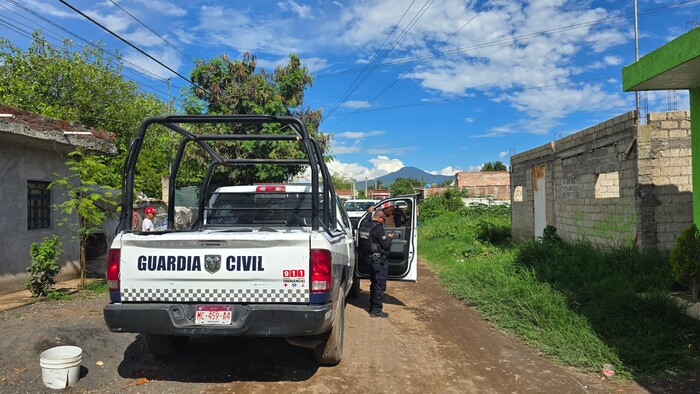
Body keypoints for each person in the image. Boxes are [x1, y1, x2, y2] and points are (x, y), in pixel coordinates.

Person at [357, 210, 394, 318]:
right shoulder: (378, 228)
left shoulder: (364, 225)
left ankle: (372, 306)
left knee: (374, 283)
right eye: (383, 220)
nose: (383, 222)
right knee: (379, 285)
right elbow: (385, 245)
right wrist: (390, 237)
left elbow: (365, 219)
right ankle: (376, 310)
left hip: (368, 260)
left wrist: (369, 212)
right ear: (380, 218)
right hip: (378, 261)